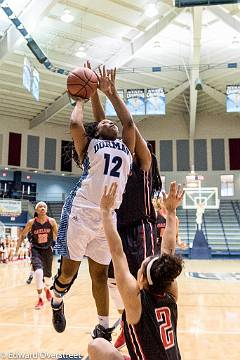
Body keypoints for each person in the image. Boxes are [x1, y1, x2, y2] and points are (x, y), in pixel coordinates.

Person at [51, 65, 135, 339]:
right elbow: (76, 125)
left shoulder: (126, 147)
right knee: (68, 272)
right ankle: (56, 299)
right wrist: (80, 99)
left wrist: (111, 94)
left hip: (107, 217)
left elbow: (129, 124)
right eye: (104, 122)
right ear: (97, 131)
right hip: (81, 211)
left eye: (112, 122)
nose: (109, 122)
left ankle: (104, 325)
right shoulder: (89, 146)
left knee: (99, 274)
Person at [88, 181, 184, 360]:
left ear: (143, 280)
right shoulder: (171, 294)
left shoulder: (136, 302)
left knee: (96, 346)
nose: (137, 269)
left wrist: (105, 212)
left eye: (140, 268)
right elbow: (168, 251)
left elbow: (117, 253)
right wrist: (171, 212)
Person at [16, 202, 58, 309]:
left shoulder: (52, 221)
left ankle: (47, 289)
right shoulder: (31, 222)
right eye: (40, 206)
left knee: (48, 278)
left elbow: (58, 236)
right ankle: (40, 299)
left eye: (44, 206)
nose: (42, 208)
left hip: (48, 250)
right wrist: (17, 248)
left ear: (46, 210)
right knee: (39, 272)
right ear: (36, 210)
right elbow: (22, 234)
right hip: (36, 250)